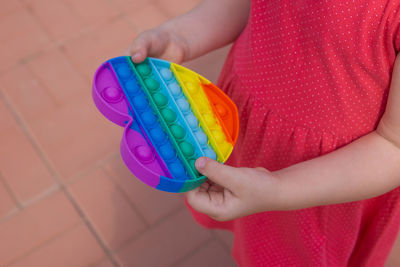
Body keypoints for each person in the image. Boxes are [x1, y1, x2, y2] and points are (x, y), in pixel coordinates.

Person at [125, 0, 400, 265]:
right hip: (245, 130)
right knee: (253, 236)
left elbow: (393, 144)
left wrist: (278, 189)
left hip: (325, 183)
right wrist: (181, 37)